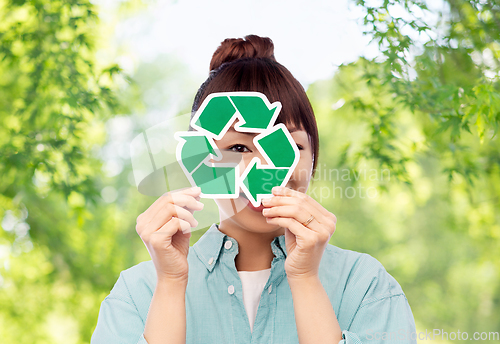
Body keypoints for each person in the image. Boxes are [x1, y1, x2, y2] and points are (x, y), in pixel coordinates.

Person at [91, 35, 417, 344]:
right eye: (240, 149)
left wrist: (305, 280)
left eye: (287, 145)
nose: (266, 171)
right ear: (197, 160)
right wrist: (171, 285)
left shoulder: (363, 285)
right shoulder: (137, 293)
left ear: (314, 157)